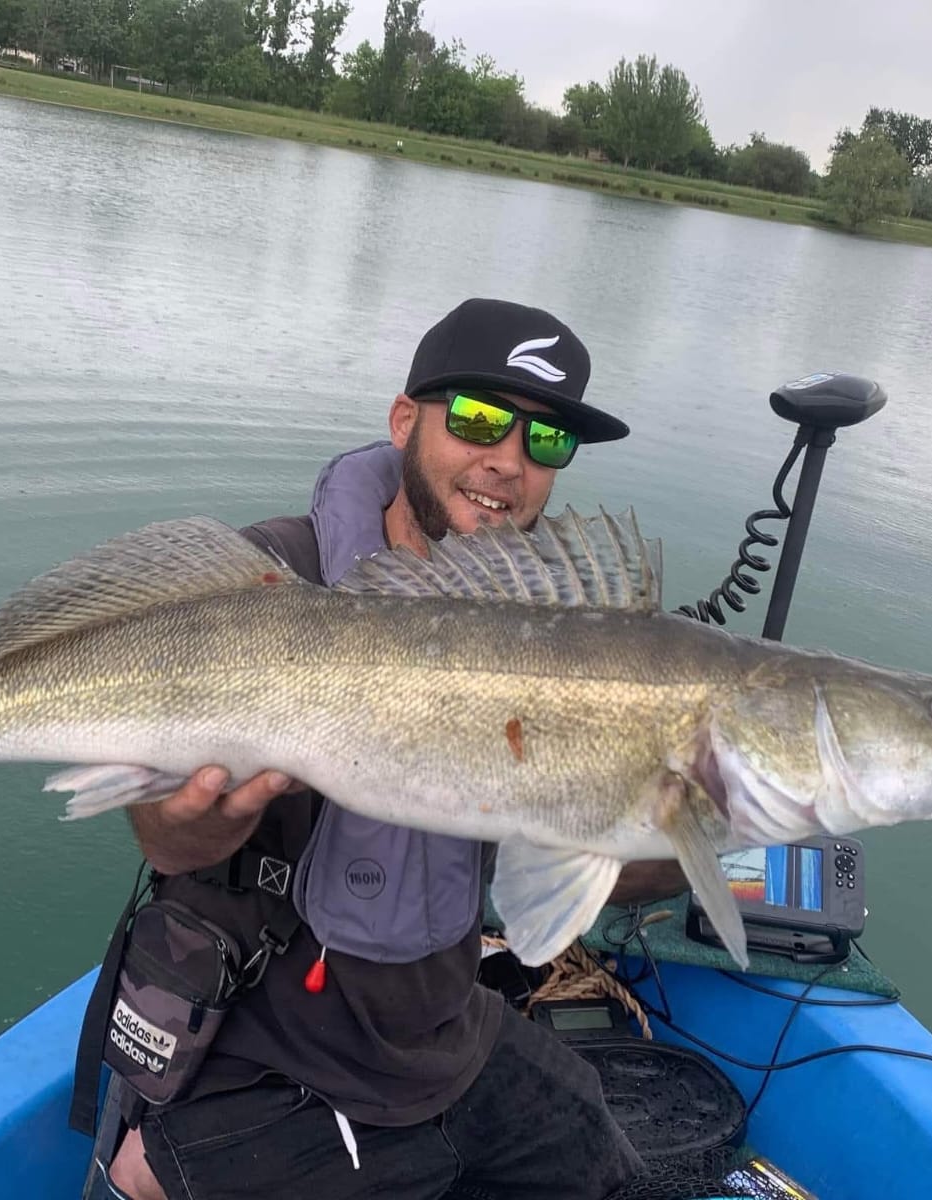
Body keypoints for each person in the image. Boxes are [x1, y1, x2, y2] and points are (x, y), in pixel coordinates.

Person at [101, 298, 691, 1200]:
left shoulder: (553, 636)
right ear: (405, 420)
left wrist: (688, 823)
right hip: (270, 1054)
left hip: (441, 1038)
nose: (509, 460)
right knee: (160, 1176)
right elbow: (163, 841)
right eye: (482, 419)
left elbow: (582, 870)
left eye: (547, 441)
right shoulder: (268, 579)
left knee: (597, 1159)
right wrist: (183, 823)